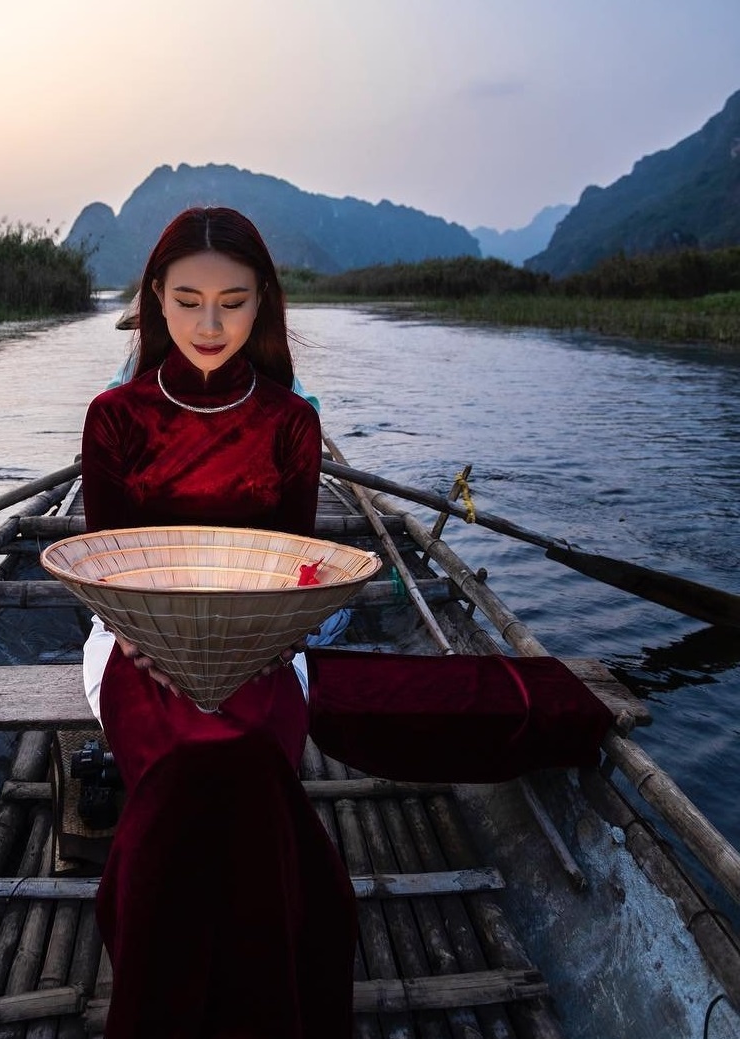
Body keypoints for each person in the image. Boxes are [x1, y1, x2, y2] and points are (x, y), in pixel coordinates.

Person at [80, 207, 613, 1038]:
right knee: (188, 752)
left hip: (266, 639)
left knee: (245, 748)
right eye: (186, 300)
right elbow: (104, 566)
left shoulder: (290, 421)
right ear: (153, 298)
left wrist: (263, 640)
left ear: (264, 304)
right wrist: (149, 641)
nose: (209, 324)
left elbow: (298, 565)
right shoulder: (114, 416)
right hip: (133, 640)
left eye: (233, 301)